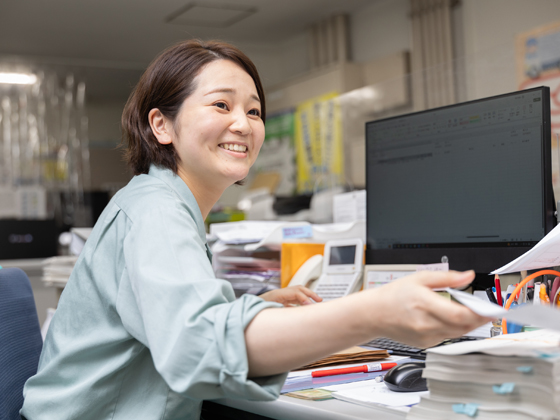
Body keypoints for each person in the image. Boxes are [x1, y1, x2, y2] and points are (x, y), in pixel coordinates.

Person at [21, 39, 490, 420]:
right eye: (221, 104)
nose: (242, 124)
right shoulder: (155, 211)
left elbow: (170, 313)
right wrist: (374, 313)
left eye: (254, 111)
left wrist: (252, 307)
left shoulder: (161, 203)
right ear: (161, 125)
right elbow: (197, 346)